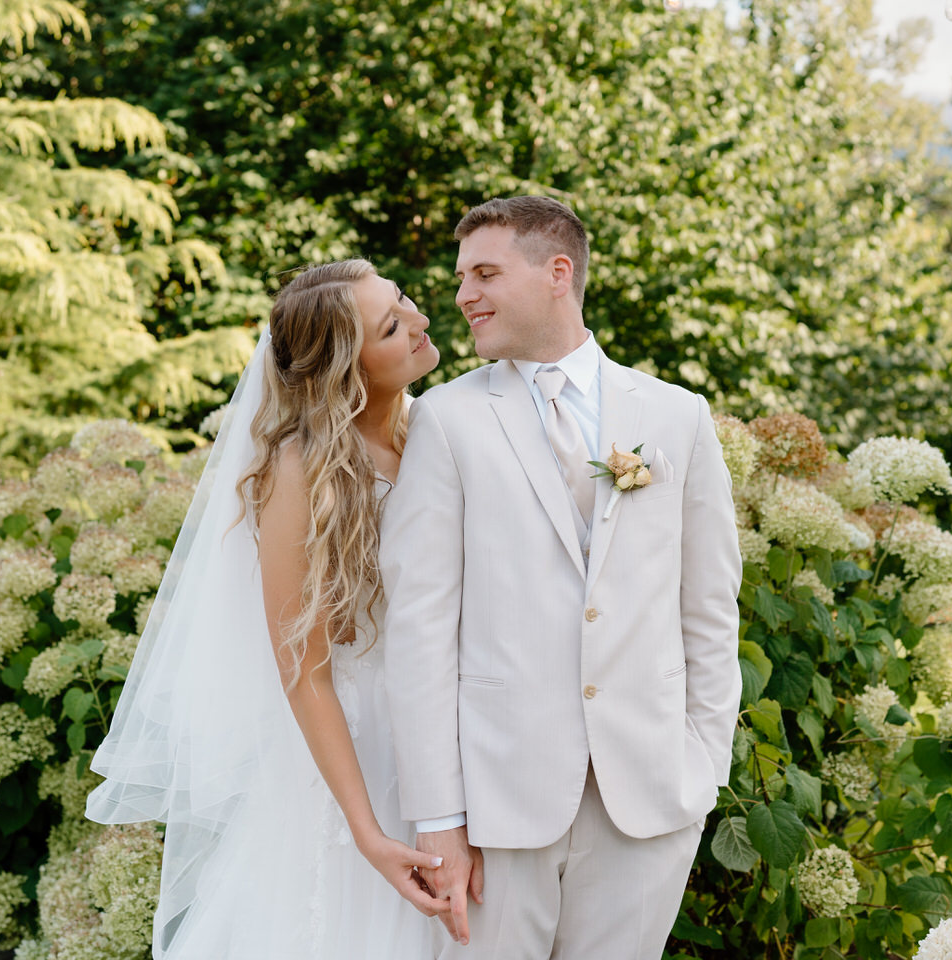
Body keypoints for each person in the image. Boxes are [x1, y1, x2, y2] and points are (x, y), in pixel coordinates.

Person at [380, 196, 743, 959]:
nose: (461, 295)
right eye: (459, 277)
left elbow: (708, 609)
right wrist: (439, 817)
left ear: (557, 272)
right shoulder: (447, 421)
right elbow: (419, 629)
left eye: (484, 273)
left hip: (647, 801)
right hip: (495, 805)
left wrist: (702, 769)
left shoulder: (678, 416)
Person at [86, 259, 446, 958]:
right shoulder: (299, 468)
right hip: (355, 752)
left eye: (404, 302)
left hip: (442, 734)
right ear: (348, 366)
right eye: (393, 325)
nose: (421, 322)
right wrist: (368, 832)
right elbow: (303, 669)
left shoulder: (434, 428)